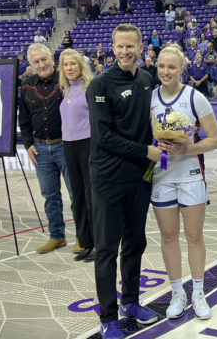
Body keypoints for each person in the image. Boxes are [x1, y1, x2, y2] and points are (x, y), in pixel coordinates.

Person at [87, 24, 161, 338]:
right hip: (108, 178)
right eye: (120, 46)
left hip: (140, 177)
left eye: (131, 46)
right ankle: (108, 318)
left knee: (135, 243)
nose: (125, 52)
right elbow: (104, 137)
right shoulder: (100, 85)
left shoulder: (146, 79)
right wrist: (145, 150)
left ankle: (131, 301)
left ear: (141, 47)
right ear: (112, 48)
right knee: (106, 250)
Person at [150, 44, 217, 320]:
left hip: (191, 175)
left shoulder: (195, 97)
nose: (165, 71)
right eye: (161, 66)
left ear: (182, 69)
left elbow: (215, 139)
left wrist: (185, 149)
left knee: (193, 236)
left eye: (171, 67)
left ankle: (198, 291)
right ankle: (177, 292)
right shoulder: (150, 97)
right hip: (161, 176)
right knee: (168, 237)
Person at [19, 43, 72, 254]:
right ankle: (57, 237)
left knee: (77, 195)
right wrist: (28, 144)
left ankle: (85, 238)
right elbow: (24, 120)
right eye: (36, 62)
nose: (41, 65)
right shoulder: (26, 86)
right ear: (31, 64)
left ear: (52, 58)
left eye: (44, 59)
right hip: (41, 148)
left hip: (66, 146)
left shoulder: (67, 80)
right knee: (50, 196)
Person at [58, 49, 95, 262]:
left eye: (73, 63)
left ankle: (99, 243)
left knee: (91, 196)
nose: (69, 68)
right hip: (69, 145)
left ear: (81, 66)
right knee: (78, 197)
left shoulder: (89, 88)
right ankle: (86, 242)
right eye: (65, 64)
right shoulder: (66, 90)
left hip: (87, 144)